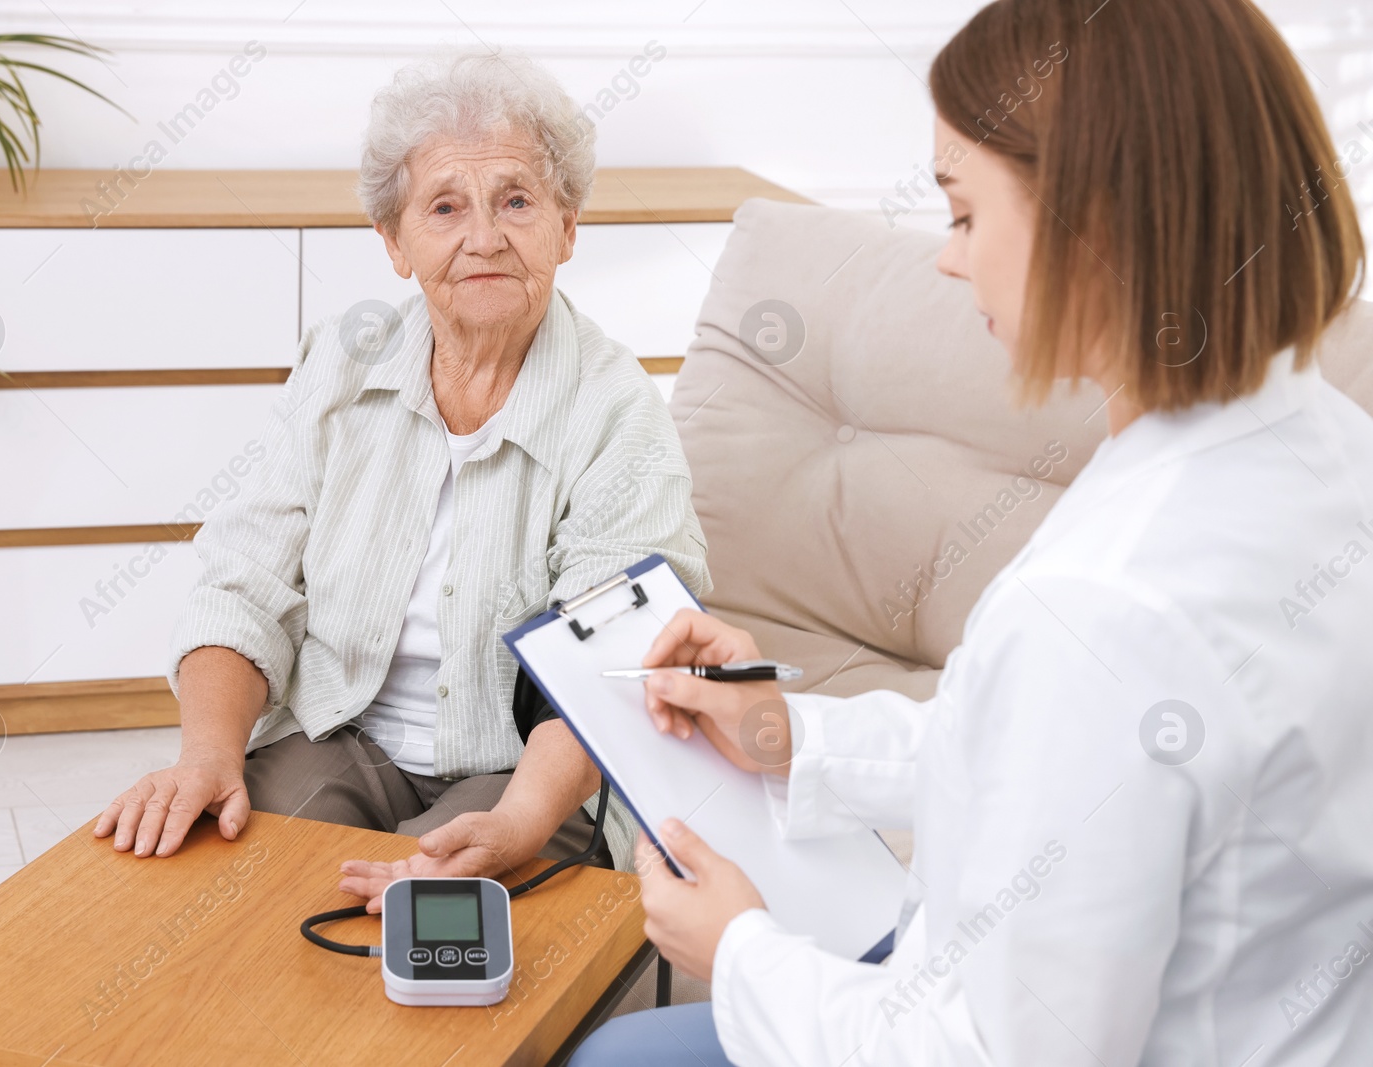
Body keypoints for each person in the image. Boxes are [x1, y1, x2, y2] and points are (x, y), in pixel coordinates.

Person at [572, 0, 1373, 1063]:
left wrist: (741, 949)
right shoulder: (1317, 439)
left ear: (1093, 228)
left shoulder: (1109, 606)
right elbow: (1048, 760)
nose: (946, 262)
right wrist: (794, 736)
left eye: (960, 214)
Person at [93, 48, 710, 902]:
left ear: (568, 227)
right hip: (336, 735)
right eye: (445, 206)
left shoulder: (617, 412)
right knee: (216, 889)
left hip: (518, 770)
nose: (484, 238)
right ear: (394, 240)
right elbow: (245, 583)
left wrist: (519, 824)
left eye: (518, 200)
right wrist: (206, 756)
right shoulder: (342, 359)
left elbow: (615, 664)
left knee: (414, 926)